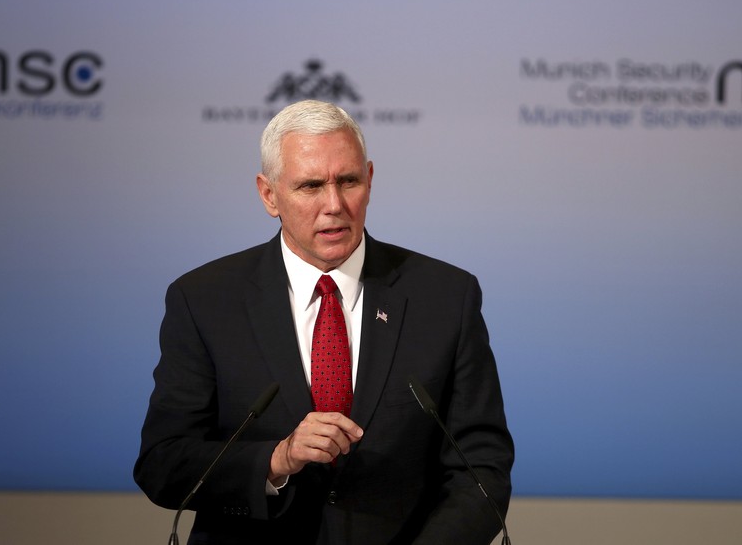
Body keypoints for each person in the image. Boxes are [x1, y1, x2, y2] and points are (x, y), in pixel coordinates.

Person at [134, 99, 514, 544]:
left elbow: (480, 468)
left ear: (369, 181)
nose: (334, 204)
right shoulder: (204, 299)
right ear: (268, 194)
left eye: (348, 181)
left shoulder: (446, 297)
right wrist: (277, 459)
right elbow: (163, 464)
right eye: (311, 186)